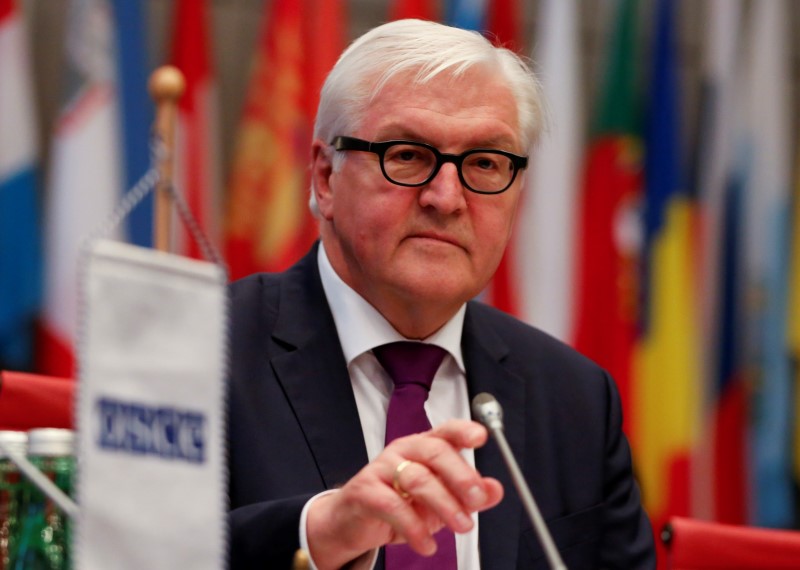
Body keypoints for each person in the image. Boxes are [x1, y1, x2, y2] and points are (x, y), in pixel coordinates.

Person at [228, 18, 655, 570]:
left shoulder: (575, 399)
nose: (446, 197)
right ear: (326, 178)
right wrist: (320, 534)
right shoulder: (203, 352)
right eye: (407, 154)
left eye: (484, 163)